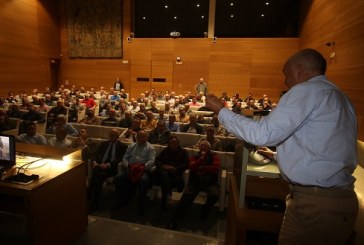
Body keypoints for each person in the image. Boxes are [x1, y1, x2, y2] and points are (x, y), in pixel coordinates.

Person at [206, 48, 358, 244]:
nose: (285, 82)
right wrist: (277, 156)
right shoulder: (341, 98)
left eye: (286, 75)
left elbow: (262, 134)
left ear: (300, 70)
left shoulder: (306, 91)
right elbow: (323, 149)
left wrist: (221, 111)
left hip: (316, 205)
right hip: (332, 202)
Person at [167, 140, 220, 230]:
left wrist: (202, 167)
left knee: (214, 195)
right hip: (195, 181)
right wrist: (200, 160)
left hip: (210, 182)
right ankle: (175, 219)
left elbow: (215, 168)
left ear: (209, 148)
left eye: (205, 145)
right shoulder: (195, 156)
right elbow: (191, 167)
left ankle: (204, 211)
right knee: (186, 196)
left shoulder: (214, 156)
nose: (203, 147)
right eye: (201, 145)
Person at [113, 130, 156, 215]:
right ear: (137, 138)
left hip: (142, 170)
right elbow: (125, 158)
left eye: (144, 137)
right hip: (130, 168)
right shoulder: (132, 146)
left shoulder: (150, 148)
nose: (142, 138)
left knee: (143, 181)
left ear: (147, 138)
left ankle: (141, 205)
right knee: (118, 178)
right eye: (140, 137)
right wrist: (127, 166)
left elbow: (151, 162)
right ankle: (121, 200)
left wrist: (141, 168)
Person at [87, 129, 128, 212]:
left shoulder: (122, 146)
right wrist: (94, 161)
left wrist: (108, 164)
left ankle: (90, 192)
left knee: (97, 173)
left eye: (114, 136)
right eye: (110, 135)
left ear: (117, 137)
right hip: (100, 166)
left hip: (112, 168)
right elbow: (95, 154)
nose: (111, 137)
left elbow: (120, 158)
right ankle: (95, 201)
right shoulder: (104, 144)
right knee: (100, 174)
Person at [152, 136, 189, 211]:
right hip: (165, 176)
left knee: (164, 178)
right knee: (165, 175)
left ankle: (163, 206)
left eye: (175, 142)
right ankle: (168, 199)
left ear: (178, 143)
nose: (173, 144)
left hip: (175, 177)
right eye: (171, 143)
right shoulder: (166, 150)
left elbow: (186, 164)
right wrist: (163, 166)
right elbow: (157, 160)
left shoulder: (183, 151)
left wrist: (175, 168)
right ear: (168, 144)